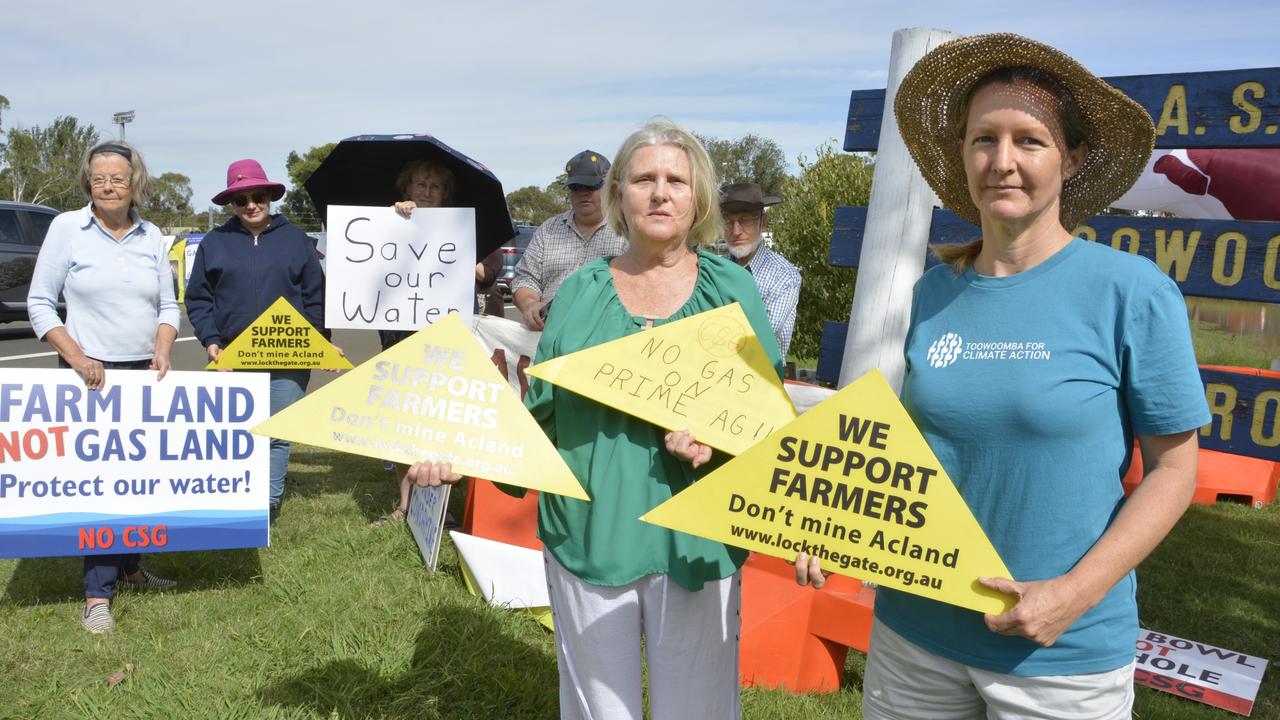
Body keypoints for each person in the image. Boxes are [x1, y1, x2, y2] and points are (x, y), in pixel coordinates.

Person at [794, 34, 1210, 718]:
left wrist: (1071, 594)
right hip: (914, 633)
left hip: (1059, 652)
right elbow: (919, 447)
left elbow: (1175, 472)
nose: (1003, 161)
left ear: (1072, 159)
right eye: (984, 139)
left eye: (1030, 141)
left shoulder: (1131, 292)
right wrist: (840, 523)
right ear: (962, 155)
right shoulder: (936, 291)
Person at [410, 119, 781, 719]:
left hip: (698, 540)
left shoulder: (733, 289)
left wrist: (719, 443)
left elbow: (771, 426)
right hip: (588, 531)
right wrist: (464, 453)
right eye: (643, 179)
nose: (660, 193)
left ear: (698, 197)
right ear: (619, 196)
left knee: (700, 709)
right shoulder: (580, 293)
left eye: (676, 180)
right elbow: (539, 417)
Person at [27, 141, 179, 634]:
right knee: (102, 484)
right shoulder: (67, 228)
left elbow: (168, 306)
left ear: (135, 182)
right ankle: (97, 594)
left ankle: (130, 567)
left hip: (142, 374)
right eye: (99, 179)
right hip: (87, 377)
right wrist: (76, 357)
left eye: (118, 177)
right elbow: (40, 303)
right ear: (86, 183)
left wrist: (163, 345)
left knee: (140, 477)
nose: (109, 186)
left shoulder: (153, 234)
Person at [185, 159, 328, 524]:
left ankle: (267, 507)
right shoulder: (214, 243)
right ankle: (236, 497)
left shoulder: (296, 240)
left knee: (277, 433)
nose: (251, 204)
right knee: (237, 433)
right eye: (242, 198)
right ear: (231, 203)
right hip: (233, 354)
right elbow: (199, 298)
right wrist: (211, 340)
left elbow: (316, 297)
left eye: (258, 196)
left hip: (290, 357)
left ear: (269, 197)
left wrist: (320, 341)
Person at [369, 157, 502, 526]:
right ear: (406, 189)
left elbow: (490, 272)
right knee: (401, 424)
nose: (427, 193)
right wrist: (392, 218)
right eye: (420, 185)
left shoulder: (466, 226)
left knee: (442, 422)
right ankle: (406, 505)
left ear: (446, 193)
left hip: (451, 341)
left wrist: (469, 263)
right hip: (399, 335)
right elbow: (367, 256)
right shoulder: (394, 220)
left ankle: (442, 508)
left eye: (435, 187)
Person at [511, 149, 628, 330]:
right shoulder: (548, 229)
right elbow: (525, 278)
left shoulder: (628, 230)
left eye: (591, 186)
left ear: (610, 187)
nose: (583, 192)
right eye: (576, 187)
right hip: (549, 334)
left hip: (608, 335)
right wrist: (529, 304)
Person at [719, 182, 801, 357]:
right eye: (728, 222)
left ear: (763, 222)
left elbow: (759, 337)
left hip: (761, 376)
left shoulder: (783, 276)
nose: (736, 231)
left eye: (745, 220)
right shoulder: (716, 269)